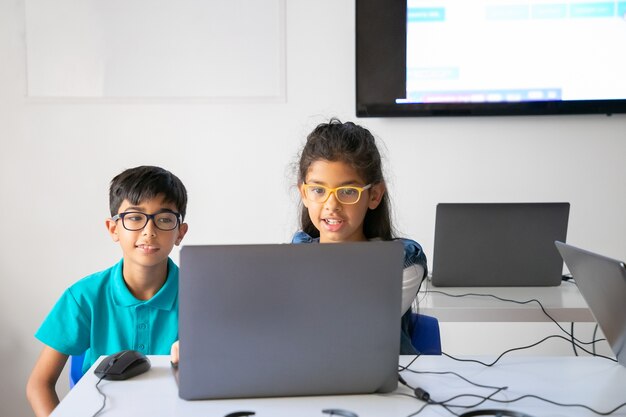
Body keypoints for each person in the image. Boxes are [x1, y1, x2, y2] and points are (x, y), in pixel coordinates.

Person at [26, 165, 189, 417]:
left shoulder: (201, 295)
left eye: (164, 219)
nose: (149, 231)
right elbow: (39, 384)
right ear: (113, 229)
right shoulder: (83, 297)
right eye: (135, 217)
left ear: (180, 232)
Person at [292, 118, 428, 354]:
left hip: (380, 386)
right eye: (318, 190)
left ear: (374, 196)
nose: (331, 205)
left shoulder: (401, 263)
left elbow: (350, 330)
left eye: (347, 191)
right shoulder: (292, 257)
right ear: (304, 194)